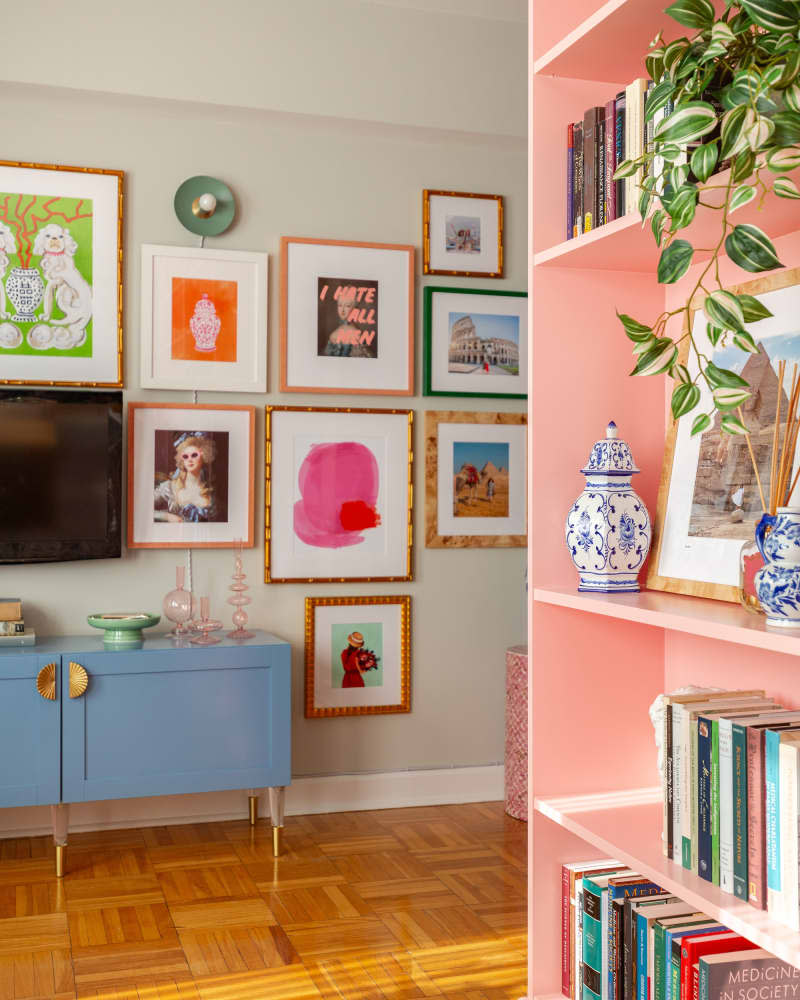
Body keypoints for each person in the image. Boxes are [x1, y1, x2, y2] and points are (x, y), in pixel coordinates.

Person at [154, 432, 216, 523]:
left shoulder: (209, 492)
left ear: (203, 456)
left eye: (194, 455)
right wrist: (167, 516)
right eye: (185, 456)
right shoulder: (170, 487)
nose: (190, 459)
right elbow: (141, 507)